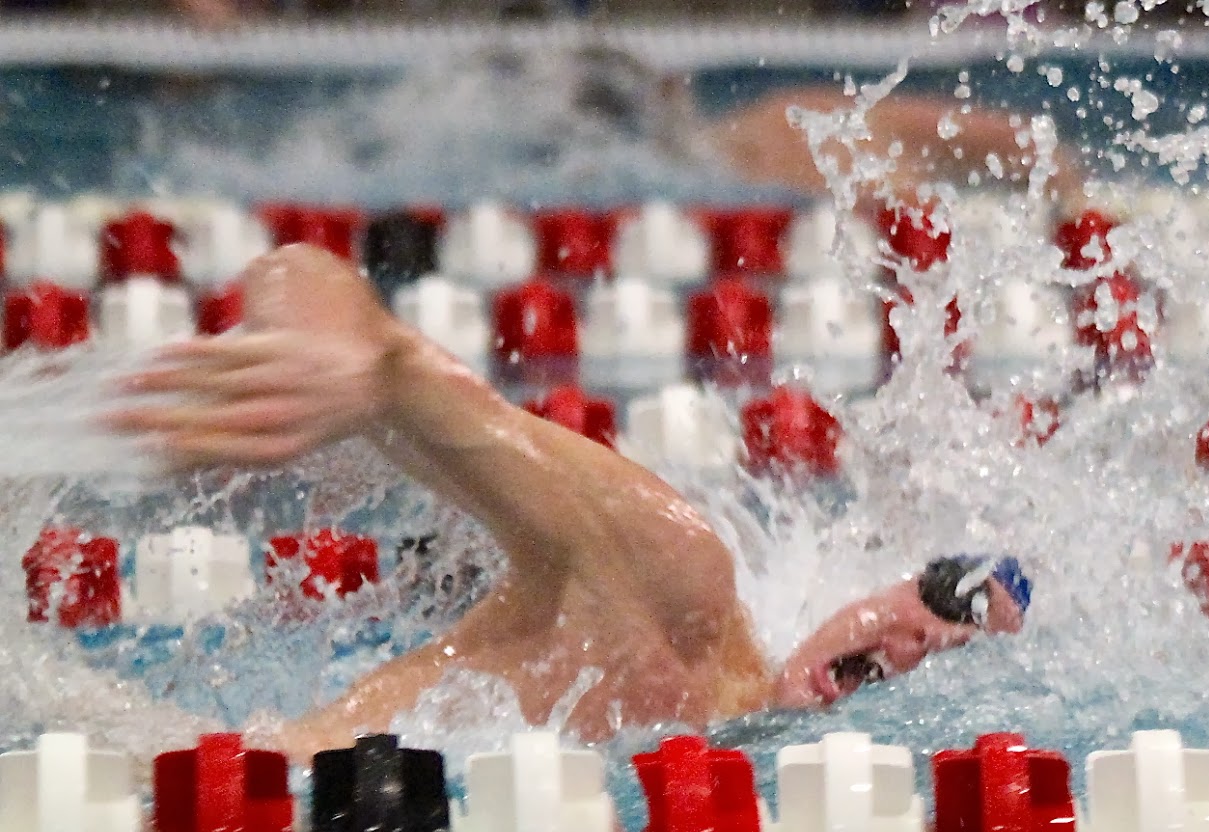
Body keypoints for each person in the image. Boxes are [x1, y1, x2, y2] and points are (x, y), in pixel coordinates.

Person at [104, 245, 1031, 761]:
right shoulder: (677, 591)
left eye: (954, 658)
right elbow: (314, 282)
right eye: (942, 601)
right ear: (874, 586)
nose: (921, 646)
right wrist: (349, 362)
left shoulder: (715, 739)